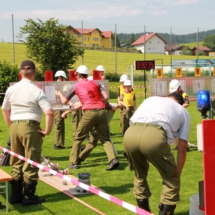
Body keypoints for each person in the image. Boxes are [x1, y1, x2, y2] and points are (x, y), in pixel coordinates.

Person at [123, 93, 190, 215]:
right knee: (171, 178)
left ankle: (144, 212)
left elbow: (136, 122)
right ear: (180, 103)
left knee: (139, 174)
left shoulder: (151, 99)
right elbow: (182, 148)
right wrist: (176, 173)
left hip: (130, 134)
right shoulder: (183, 111)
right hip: (154, 136)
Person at [2, 60, 54, 206]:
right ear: (34, 73)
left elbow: (5, 109)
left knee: (16, 161)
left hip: (14, 126)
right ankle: (29, 197)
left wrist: (11, 125)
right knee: (31, 160)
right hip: (30, 127)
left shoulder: (11, 89)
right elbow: (49, 112)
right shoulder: (36, 90)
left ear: (20, 73)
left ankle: (15, 195)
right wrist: (47, 131)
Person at [56, 65, 119, 170]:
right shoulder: (96, 83)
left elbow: (64, 101)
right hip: (102, 111)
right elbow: (106, 97)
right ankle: (113, 159)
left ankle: (73, 162)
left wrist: (59, 94)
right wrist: (97, 102)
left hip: (90, 112)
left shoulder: (76, 86)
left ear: (78, 75)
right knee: (105, 138)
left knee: (78, 137)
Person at [169, 79, 190, 151]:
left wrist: (180, 107)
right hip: (175, 114)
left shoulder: (184, 94)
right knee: (176, 130)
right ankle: (177, 146)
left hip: (182, 114)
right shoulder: (173, 94)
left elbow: (187, 103)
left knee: (183, 130)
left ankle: (185, 147)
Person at [54, 70, 68, 149]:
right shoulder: (58, 87)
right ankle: (57, 144)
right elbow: (60, 99)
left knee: (60, 125)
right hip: (58, 108)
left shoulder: (58, 86)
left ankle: (60, 143)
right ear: (61, 78)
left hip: (59, 107)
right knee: (59, 125)